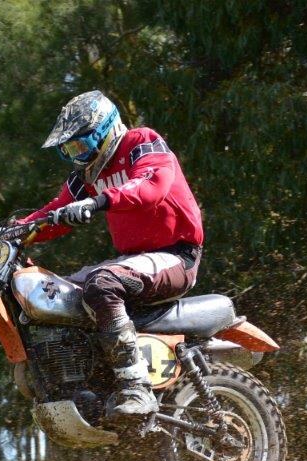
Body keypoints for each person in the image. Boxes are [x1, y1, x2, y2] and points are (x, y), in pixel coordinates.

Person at [12, 91, 204, 419]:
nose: (77, 155)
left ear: (105, 130)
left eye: (81, 145)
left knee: (101, 284)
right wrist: (11, 231)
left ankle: (136, 386)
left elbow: (152, 184)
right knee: (54, 293)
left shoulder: (142, 142)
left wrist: (99, 201)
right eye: (69, 150)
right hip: (133, 261)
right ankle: (89, 384)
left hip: (176, 254)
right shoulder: (87, 175)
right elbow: (54, 212)